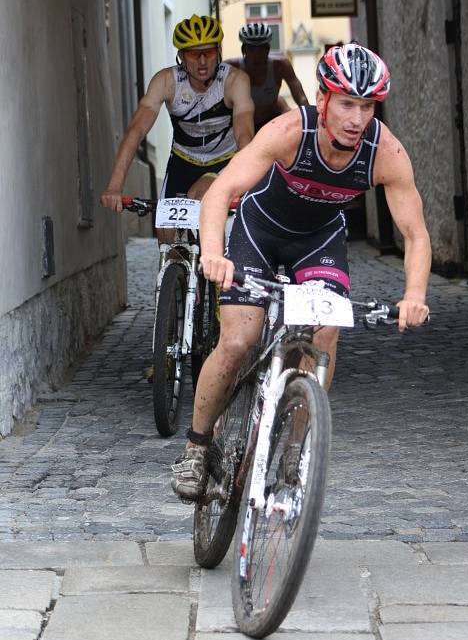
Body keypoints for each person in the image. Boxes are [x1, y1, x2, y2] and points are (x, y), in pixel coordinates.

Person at [170, 42, 431, 501]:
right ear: (324, 97)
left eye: (367, 106)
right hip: (261, 231)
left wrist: (414, 294)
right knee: (237, 339)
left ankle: (294, 454)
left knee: (325, 332)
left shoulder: (385, 152)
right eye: (347, 103)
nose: (356, 118)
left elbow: (415, 234)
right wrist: (213, 252)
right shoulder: (291, 130)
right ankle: (195, 449)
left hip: (320, 240)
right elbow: (221, 190)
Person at [100, 14, 254, 222]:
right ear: (181, 56)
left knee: (198, 195)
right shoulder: (166, 81)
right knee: (166, 232)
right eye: (193, 54)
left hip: (222, 161)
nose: (202, 61)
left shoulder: (234, 81)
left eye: (208, 52)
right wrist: (114, 186)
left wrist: (249, 182)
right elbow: (136, 130)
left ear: (218, 52)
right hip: (182, 161)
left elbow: (244, 135)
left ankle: (209, 252)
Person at [226, 23, 309, 131]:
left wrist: (310, 118)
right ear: (243, 50)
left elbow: (301, 98)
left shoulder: (281, 65)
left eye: (261, 49)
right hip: (239, 123)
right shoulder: (230, 68)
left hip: (269, 121)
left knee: (286, 112)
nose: (257, 55)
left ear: (268, 49)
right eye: (251, 49)